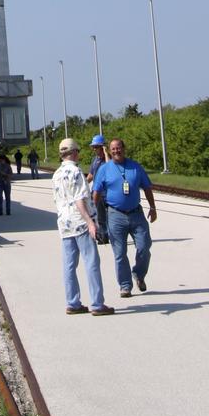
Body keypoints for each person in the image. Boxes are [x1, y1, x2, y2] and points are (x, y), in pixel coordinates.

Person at [52, 138, 114, 316]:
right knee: (91, 262)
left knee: (69, 265)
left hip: (64, 224)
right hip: (80, 223)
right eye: (77, 151)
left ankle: (72, 302)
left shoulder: (56, 174)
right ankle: (97, 304)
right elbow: (79, 200)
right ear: (74, 152)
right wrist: (90, 222)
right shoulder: (76, 172)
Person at [92, 138, 157, 297]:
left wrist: (153, 207)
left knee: (144, 247)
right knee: (120, 253)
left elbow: (147, 188)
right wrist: (94, 214)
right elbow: (96, 193)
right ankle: (125, 285)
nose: (116, 151)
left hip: (136, 214)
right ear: (110, 150)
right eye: (113, 149)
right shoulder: (104, 169)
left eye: (119, 148)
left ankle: (139, 274)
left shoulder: (135, 167)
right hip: (115, 215)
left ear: (124, 149)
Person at [86, 134, 109, 244]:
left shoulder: (108, 159)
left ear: (102, 146)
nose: (94, 149)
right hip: (97, 192)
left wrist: (106, 153)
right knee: (99, 215)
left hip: (107, 192)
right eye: (93, 147)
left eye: (96, 147)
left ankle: (110, 235)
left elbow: (111, 168)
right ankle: (102, 236)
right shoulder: (95, 160)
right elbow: (91, 174)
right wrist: (84, 184)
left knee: (109, 216)